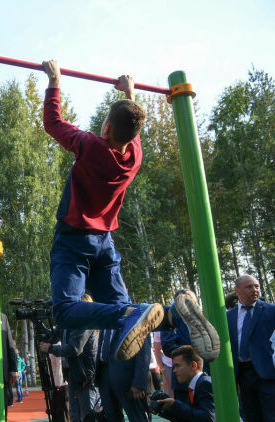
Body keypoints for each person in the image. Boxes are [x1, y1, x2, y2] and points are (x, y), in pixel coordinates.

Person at [41, 60, 218, 364]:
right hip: (104, 243)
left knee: (67, 311)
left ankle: (142, 313)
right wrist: (130, 94)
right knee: (125, 311)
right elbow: (132, 128)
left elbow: (52, 123)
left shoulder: (90, 146)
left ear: (106, 128)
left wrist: (54, 82)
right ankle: (174, 315)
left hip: (74, 239)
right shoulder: (133, 157)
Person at [40, 295, 100, 422]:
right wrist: (40, 326)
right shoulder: (68, 321)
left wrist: (50, 348)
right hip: (74, 375)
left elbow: (74, 348)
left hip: (86, 377)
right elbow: (53, 335)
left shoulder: (86, 321)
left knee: (88, 417)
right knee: (74, 416)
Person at [227, 274, 275, 422]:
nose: (255, 289)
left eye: (256, 286)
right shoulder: (227, 316)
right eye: (249, 287)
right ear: (237, 291)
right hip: (243, 375)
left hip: (268, 375)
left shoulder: (271, 311)